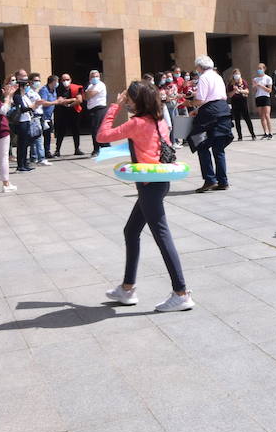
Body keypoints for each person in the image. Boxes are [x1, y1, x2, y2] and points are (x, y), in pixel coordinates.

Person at [98, 81, 194, 313]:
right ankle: (127, 288)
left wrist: (115, 106)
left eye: (129, 98)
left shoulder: (137, 123)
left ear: (137, 101)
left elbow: (102, 136)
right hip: (157, 183)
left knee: (162, 235)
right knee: (131, 231)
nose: (127, 100)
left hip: (150, 185)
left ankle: (181, 293)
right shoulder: (158, 120)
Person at [185, 55, 233, 192]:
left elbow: (200, 99)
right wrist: (198, 110)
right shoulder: (218, 77)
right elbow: (217, 96)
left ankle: (210, 179)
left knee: (202, 145)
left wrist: (189, 103)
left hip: (210, 115)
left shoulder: (204, 78)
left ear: (200, 67)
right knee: (219, 149)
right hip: (223, 111)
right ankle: (223, 181)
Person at [10, 69, 40, 172]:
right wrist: (33, 106)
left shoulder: (24, 95)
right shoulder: (17, 95)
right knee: (21, 144)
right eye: (25, 85)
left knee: (25, 143)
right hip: (21, 121)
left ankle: (24, 163)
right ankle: (20, 165)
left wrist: (32, 106)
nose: (26, 86)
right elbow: (22, 108)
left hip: (27, 120)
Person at [55, 72, 84, 155]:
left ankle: (77, 149)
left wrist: (68, 102)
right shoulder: (58, 89)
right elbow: (59, 100)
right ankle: (57, 150)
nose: (65, 81)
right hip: (62, 112)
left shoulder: (75, 88)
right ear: (61, 81)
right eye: (64, 80)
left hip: (74, 111)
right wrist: (73, 99)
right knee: (61, 131)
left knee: (76, 130)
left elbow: (79, 100)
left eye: (67, 79)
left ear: (70, 80)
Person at [84, 70, 109, 157]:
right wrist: (87, 94)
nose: (95, 78)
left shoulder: (100, 85)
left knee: (96, 130)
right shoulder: (90, 85)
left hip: (100, 109)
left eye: (96, 76)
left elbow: (88, 95)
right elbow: (85, 96)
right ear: (89, 78)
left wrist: (87, 94)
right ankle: (104, 147)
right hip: (92, 110)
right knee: (96, 130)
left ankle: (97, 149)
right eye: (93, 76)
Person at [226, 70, 256, 140]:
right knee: (237, 120)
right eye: (235, 74)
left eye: (238, 74)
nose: (237, 75)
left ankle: (253, 134)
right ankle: (240, 136)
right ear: (233, 75)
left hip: (243, 101)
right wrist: (234, 90)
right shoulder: (230, 84)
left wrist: (240, 91)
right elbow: (230, 95)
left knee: (247, 118)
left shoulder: (243, 82)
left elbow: (247, 91)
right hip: (235, 102)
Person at [252, 63, 274, 138]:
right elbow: (254, 90)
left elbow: (269, 90)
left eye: (260, 69)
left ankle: (270, 132)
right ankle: (265, 132)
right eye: (258, 69)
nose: (259, 70)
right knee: (261, 116)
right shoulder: (255, 79)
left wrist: (261, 86)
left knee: (267, 115)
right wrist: (255, 86)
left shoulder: (268, 78)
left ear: (264, 69)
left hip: (266, 97)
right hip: (258, 97)